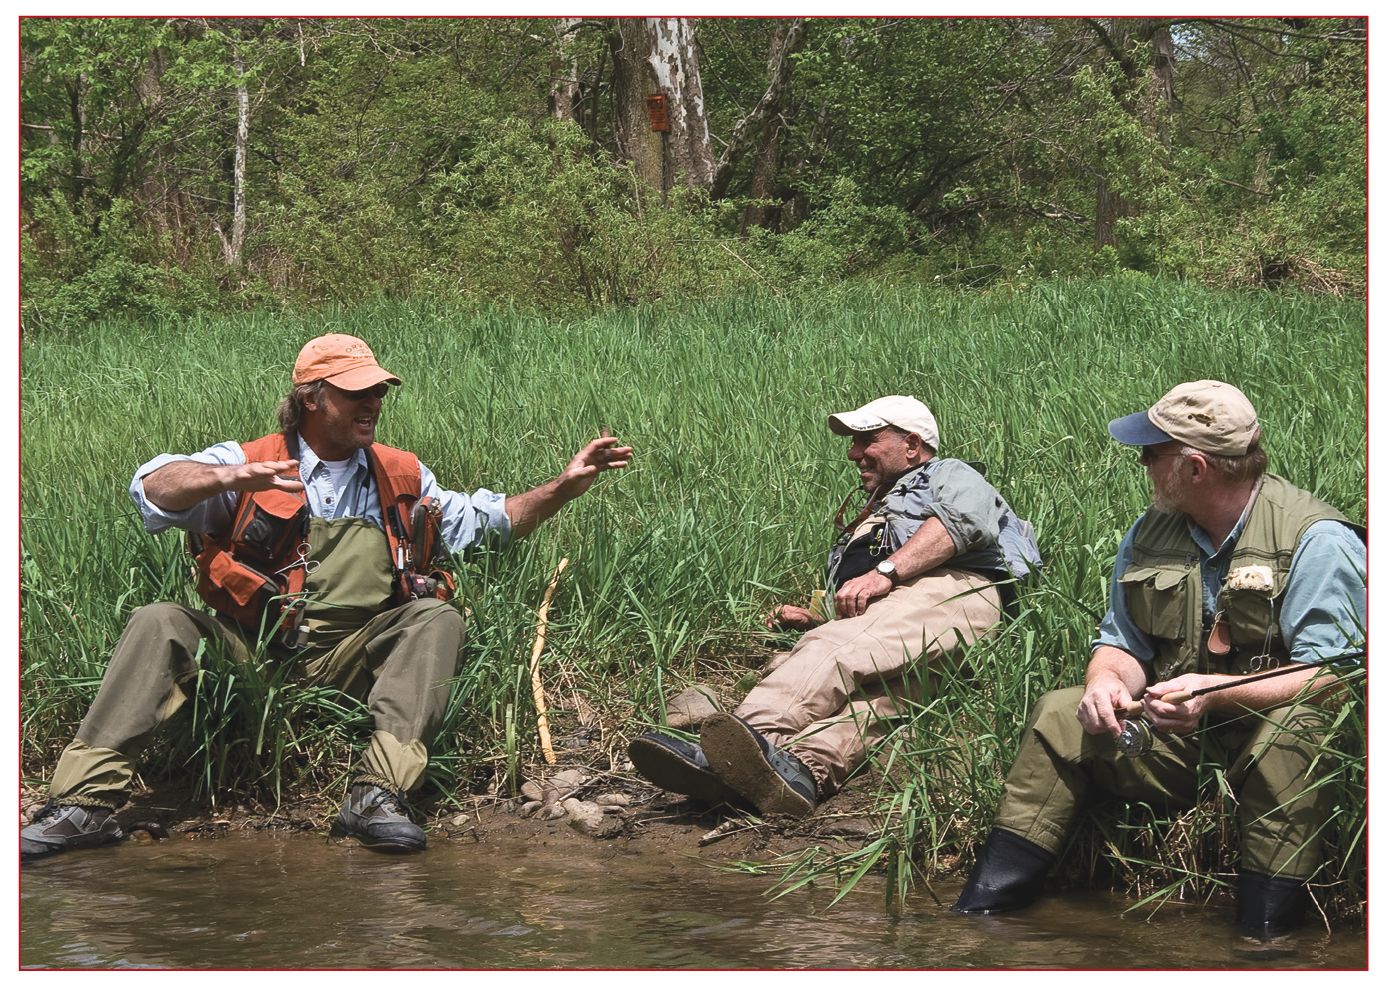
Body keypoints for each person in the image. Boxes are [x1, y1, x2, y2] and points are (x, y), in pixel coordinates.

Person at [21, 333, 631, 858]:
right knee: (160, 620)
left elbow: (490, 522)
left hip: (355, 658)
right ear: (312, 398)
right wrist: (227, 479)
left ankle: (376, 793)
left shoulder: (402, 475)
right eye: (356, 392)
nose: (373, 402)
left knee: (436, 616)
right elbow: (152, 487)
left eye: (379, 391)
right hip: (252, 653)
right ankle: (83, 804)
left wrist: (562, 487)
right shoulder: (249, 462)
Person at [953, 380, 1366, 939]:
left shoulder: (1318, 540)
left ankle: (1266, 938)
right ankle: (980, 919)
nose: (1142, 464)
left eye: (1151, 453)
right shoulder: (1150, 532)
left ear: (1196, 468)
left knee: (1294, 733)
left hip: (1272, 739)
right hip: (1177, 738)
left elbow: (1334, 677)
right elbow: (1121, 641)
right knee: (1058, 712)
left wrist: (1216, 694)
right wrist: (1104, 682)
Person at [629, 395, 1040, 818]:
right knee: (883, 700)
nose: (854, 453)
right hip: (938, 620)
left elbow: (963, 523)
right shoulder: (874, 511)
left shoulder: (949, 472)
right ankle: (800, 772)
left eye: (867, 440)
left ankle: (742, 742)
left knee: (837, 648)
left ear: (913, 445)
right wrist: (818, 616)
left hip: (955, 589)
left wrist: (885, 573)